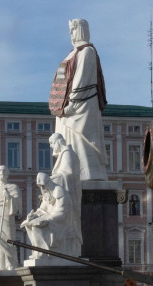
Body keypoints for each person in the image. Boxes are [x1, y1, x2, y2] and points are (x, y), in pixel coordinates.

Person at [49, 18, 108, 182]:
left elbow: (82, 79)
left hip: (80, 108)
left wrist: (72, 103)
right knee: (68, 142)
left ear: (81, 30)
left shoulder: (87, 52)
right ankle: (69, 170)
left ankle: (88, 173)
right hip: (65, 108)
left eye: (74, 29)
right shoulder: (72, 54)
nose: (71, 33)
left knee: (81, 140)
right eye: (70, 30)